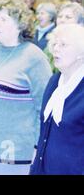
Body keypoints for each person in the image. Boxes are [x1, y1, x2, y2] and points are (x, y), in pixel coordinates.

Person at [0, 0, 52, 175]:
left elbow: (44, 108)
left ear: (20, 24)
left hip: (13, 148)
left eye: (4, 19)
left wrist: (37, 146)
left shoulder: (34, 57)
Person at [30, 24, 84, 175]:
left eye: (63, 45)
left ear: (81, 52)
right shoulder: (54, 81)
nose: (56, 49)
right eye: (55, 44)